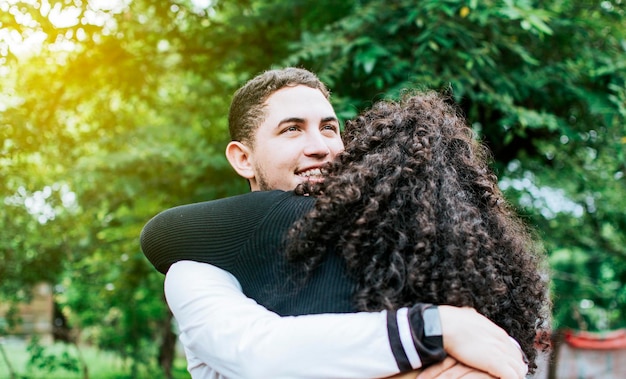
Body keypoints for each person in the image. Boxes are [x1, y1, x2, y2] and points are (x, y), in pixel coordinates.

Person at [142, 69, 538, 378]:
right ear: (243, 159)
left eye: (329, 128)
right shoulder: (197, 268)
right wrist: (436, 329)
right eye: (292, 129)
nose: (321, 147)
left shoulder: (386, 240)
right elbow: (257, 355)